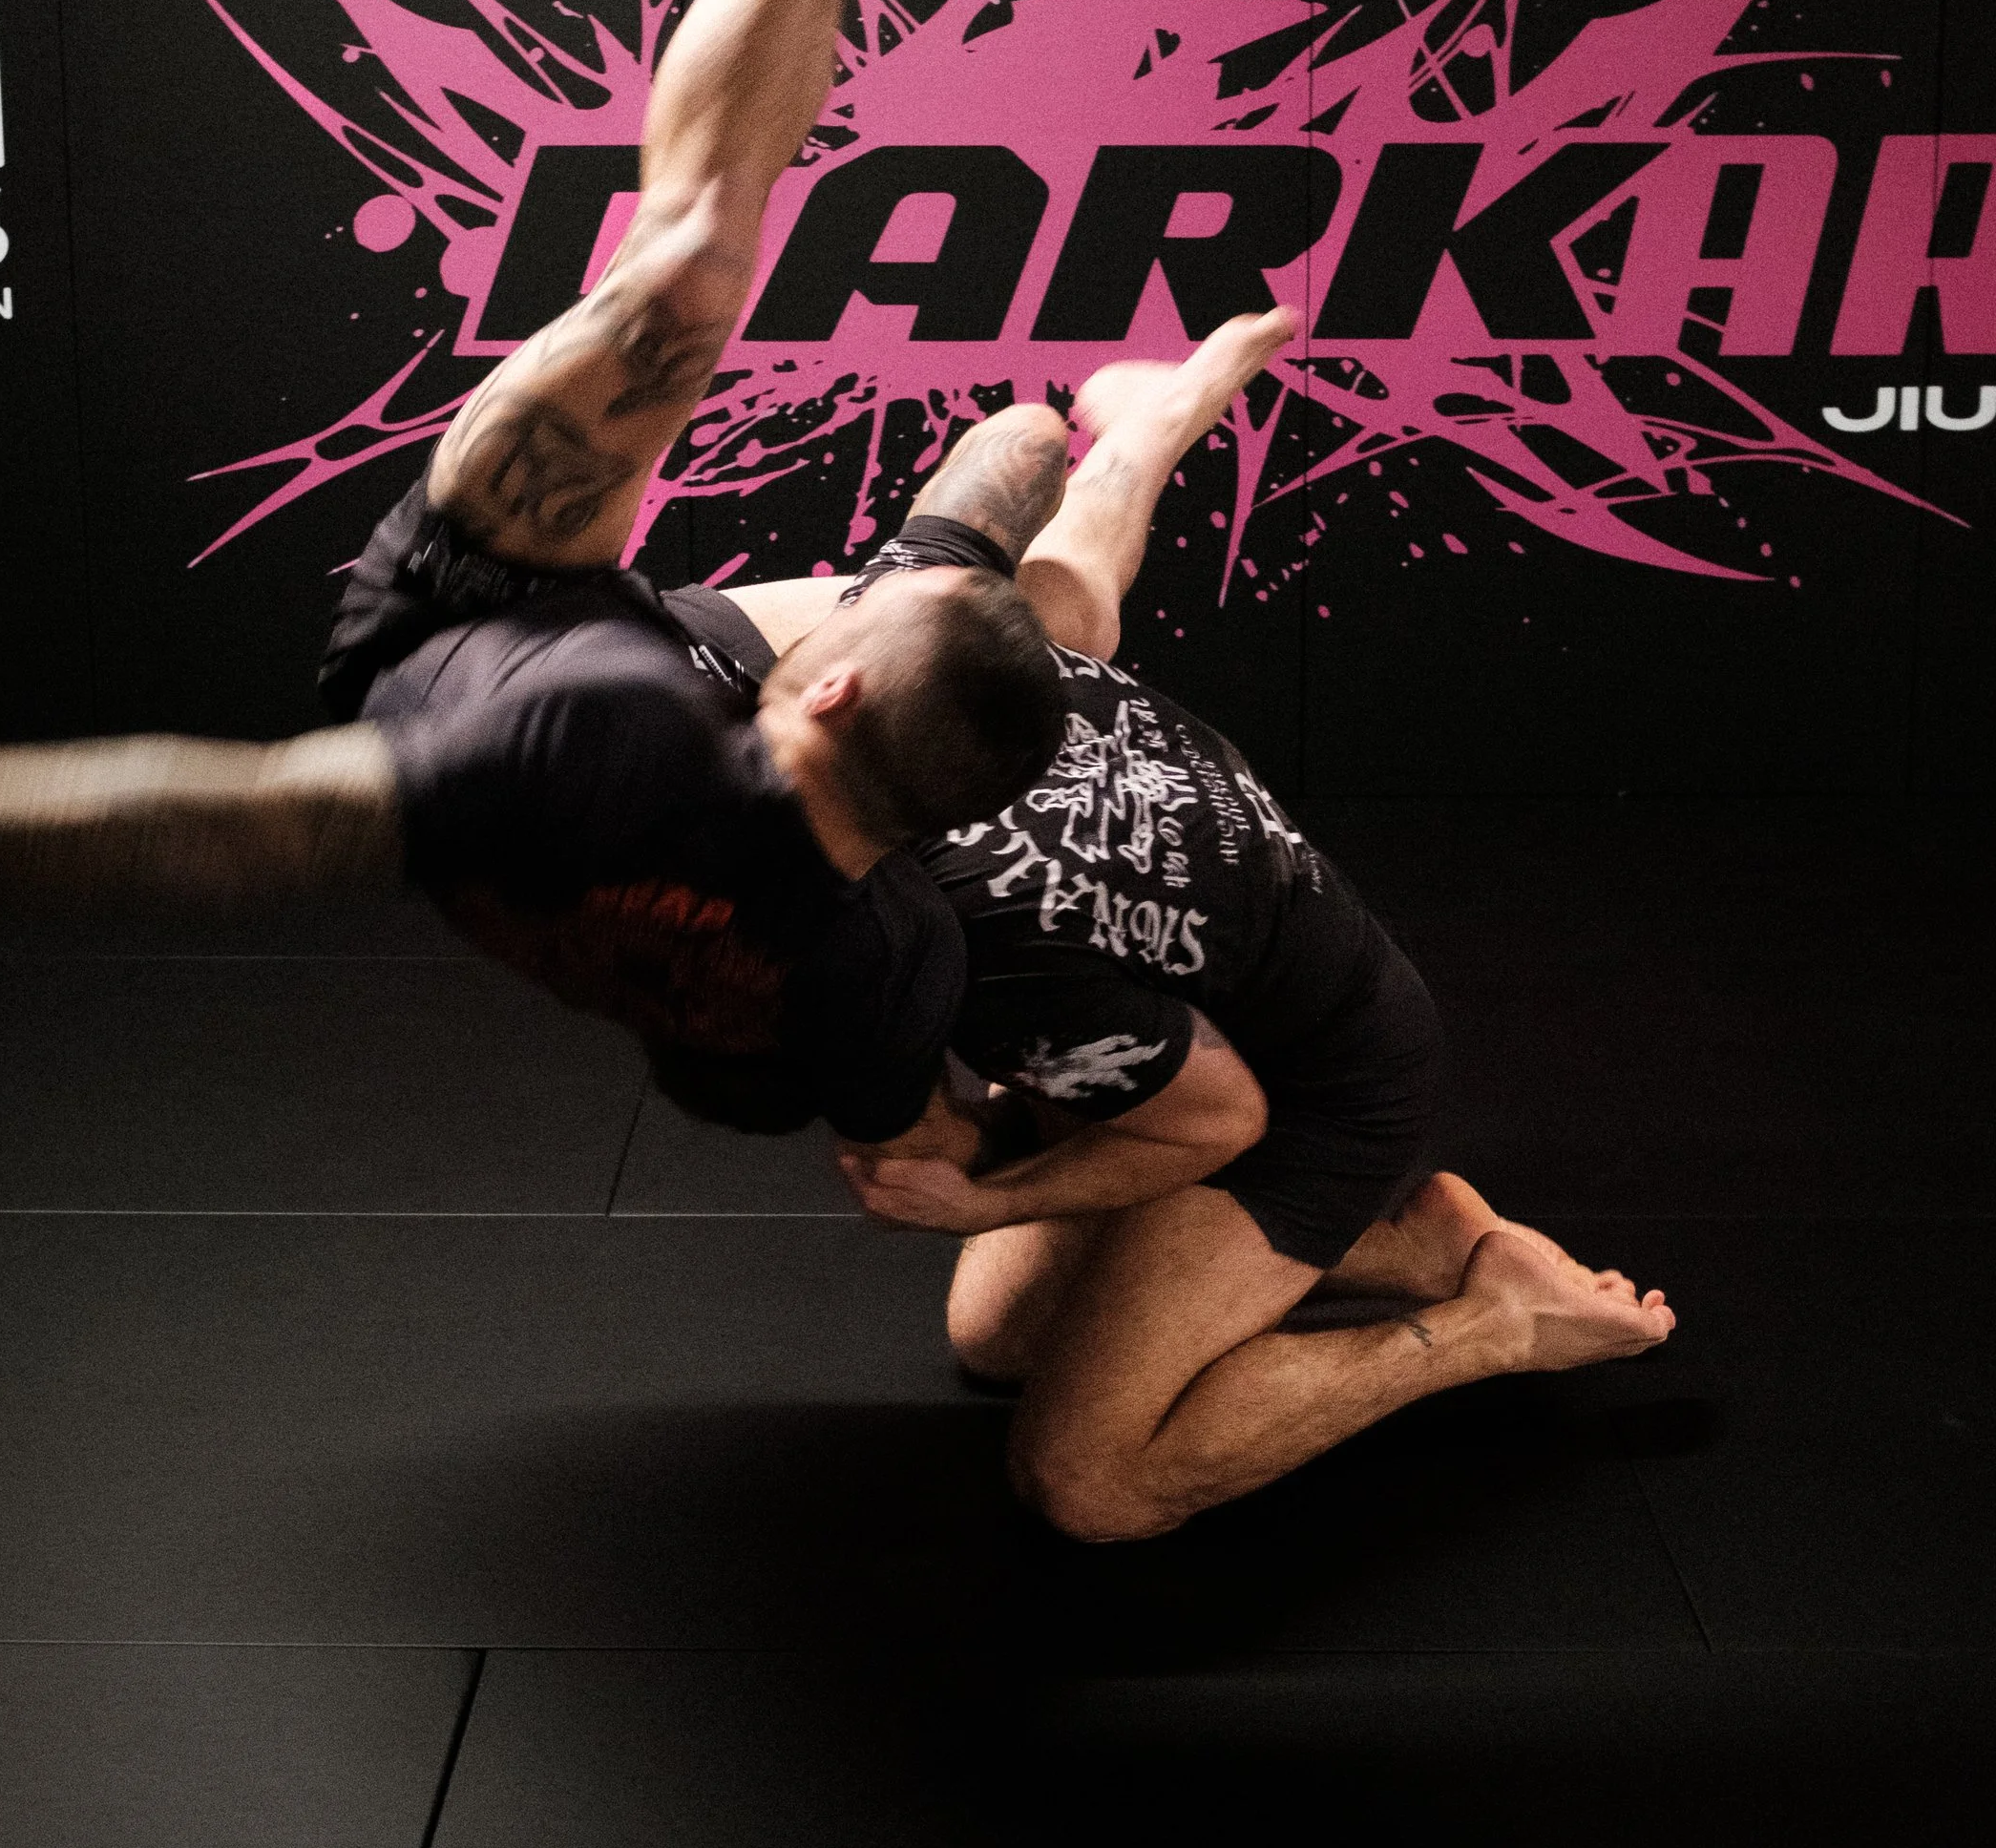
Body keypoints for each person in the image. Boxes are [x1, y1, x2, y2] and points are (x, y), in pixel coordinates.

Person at [0, 0, 1086, 1147]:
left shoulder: (604, 734)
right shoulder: (878, 967)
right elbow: (898, 1144)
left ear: (829, 673)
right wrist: (1069, 435)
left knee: (698, 257)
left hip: (477, 611)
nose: (853, 592)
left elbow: (220, 825)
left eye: (861, 606)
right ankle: (1072, 444)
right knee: (1061, 616)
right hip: (690, 770)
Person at [703, 317, 1676, 1540]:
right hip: (1185, 990)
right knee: (993, 1337)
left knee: (1087, 1481)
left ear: (833, 702)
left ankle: (1489, 1320)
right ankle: (1417, 1243)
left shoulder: (999, 940)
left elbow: (1217, 1117)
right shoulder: (944, 653)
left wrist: (985, 1204)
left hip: (1312, 1088)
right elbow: (1070, 552)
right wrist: (1157, 424)